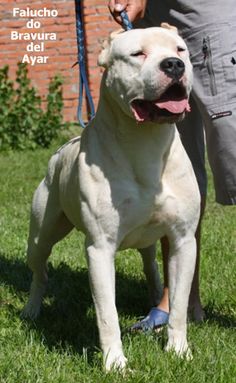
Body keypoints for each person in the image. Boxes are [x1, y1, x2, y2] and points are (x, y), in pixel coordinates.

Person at [108, 0, 236, 330]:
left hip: (208, 15)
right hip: (155, 21)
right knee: (174, 175)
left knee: (233, 158)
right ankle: (179, 300)